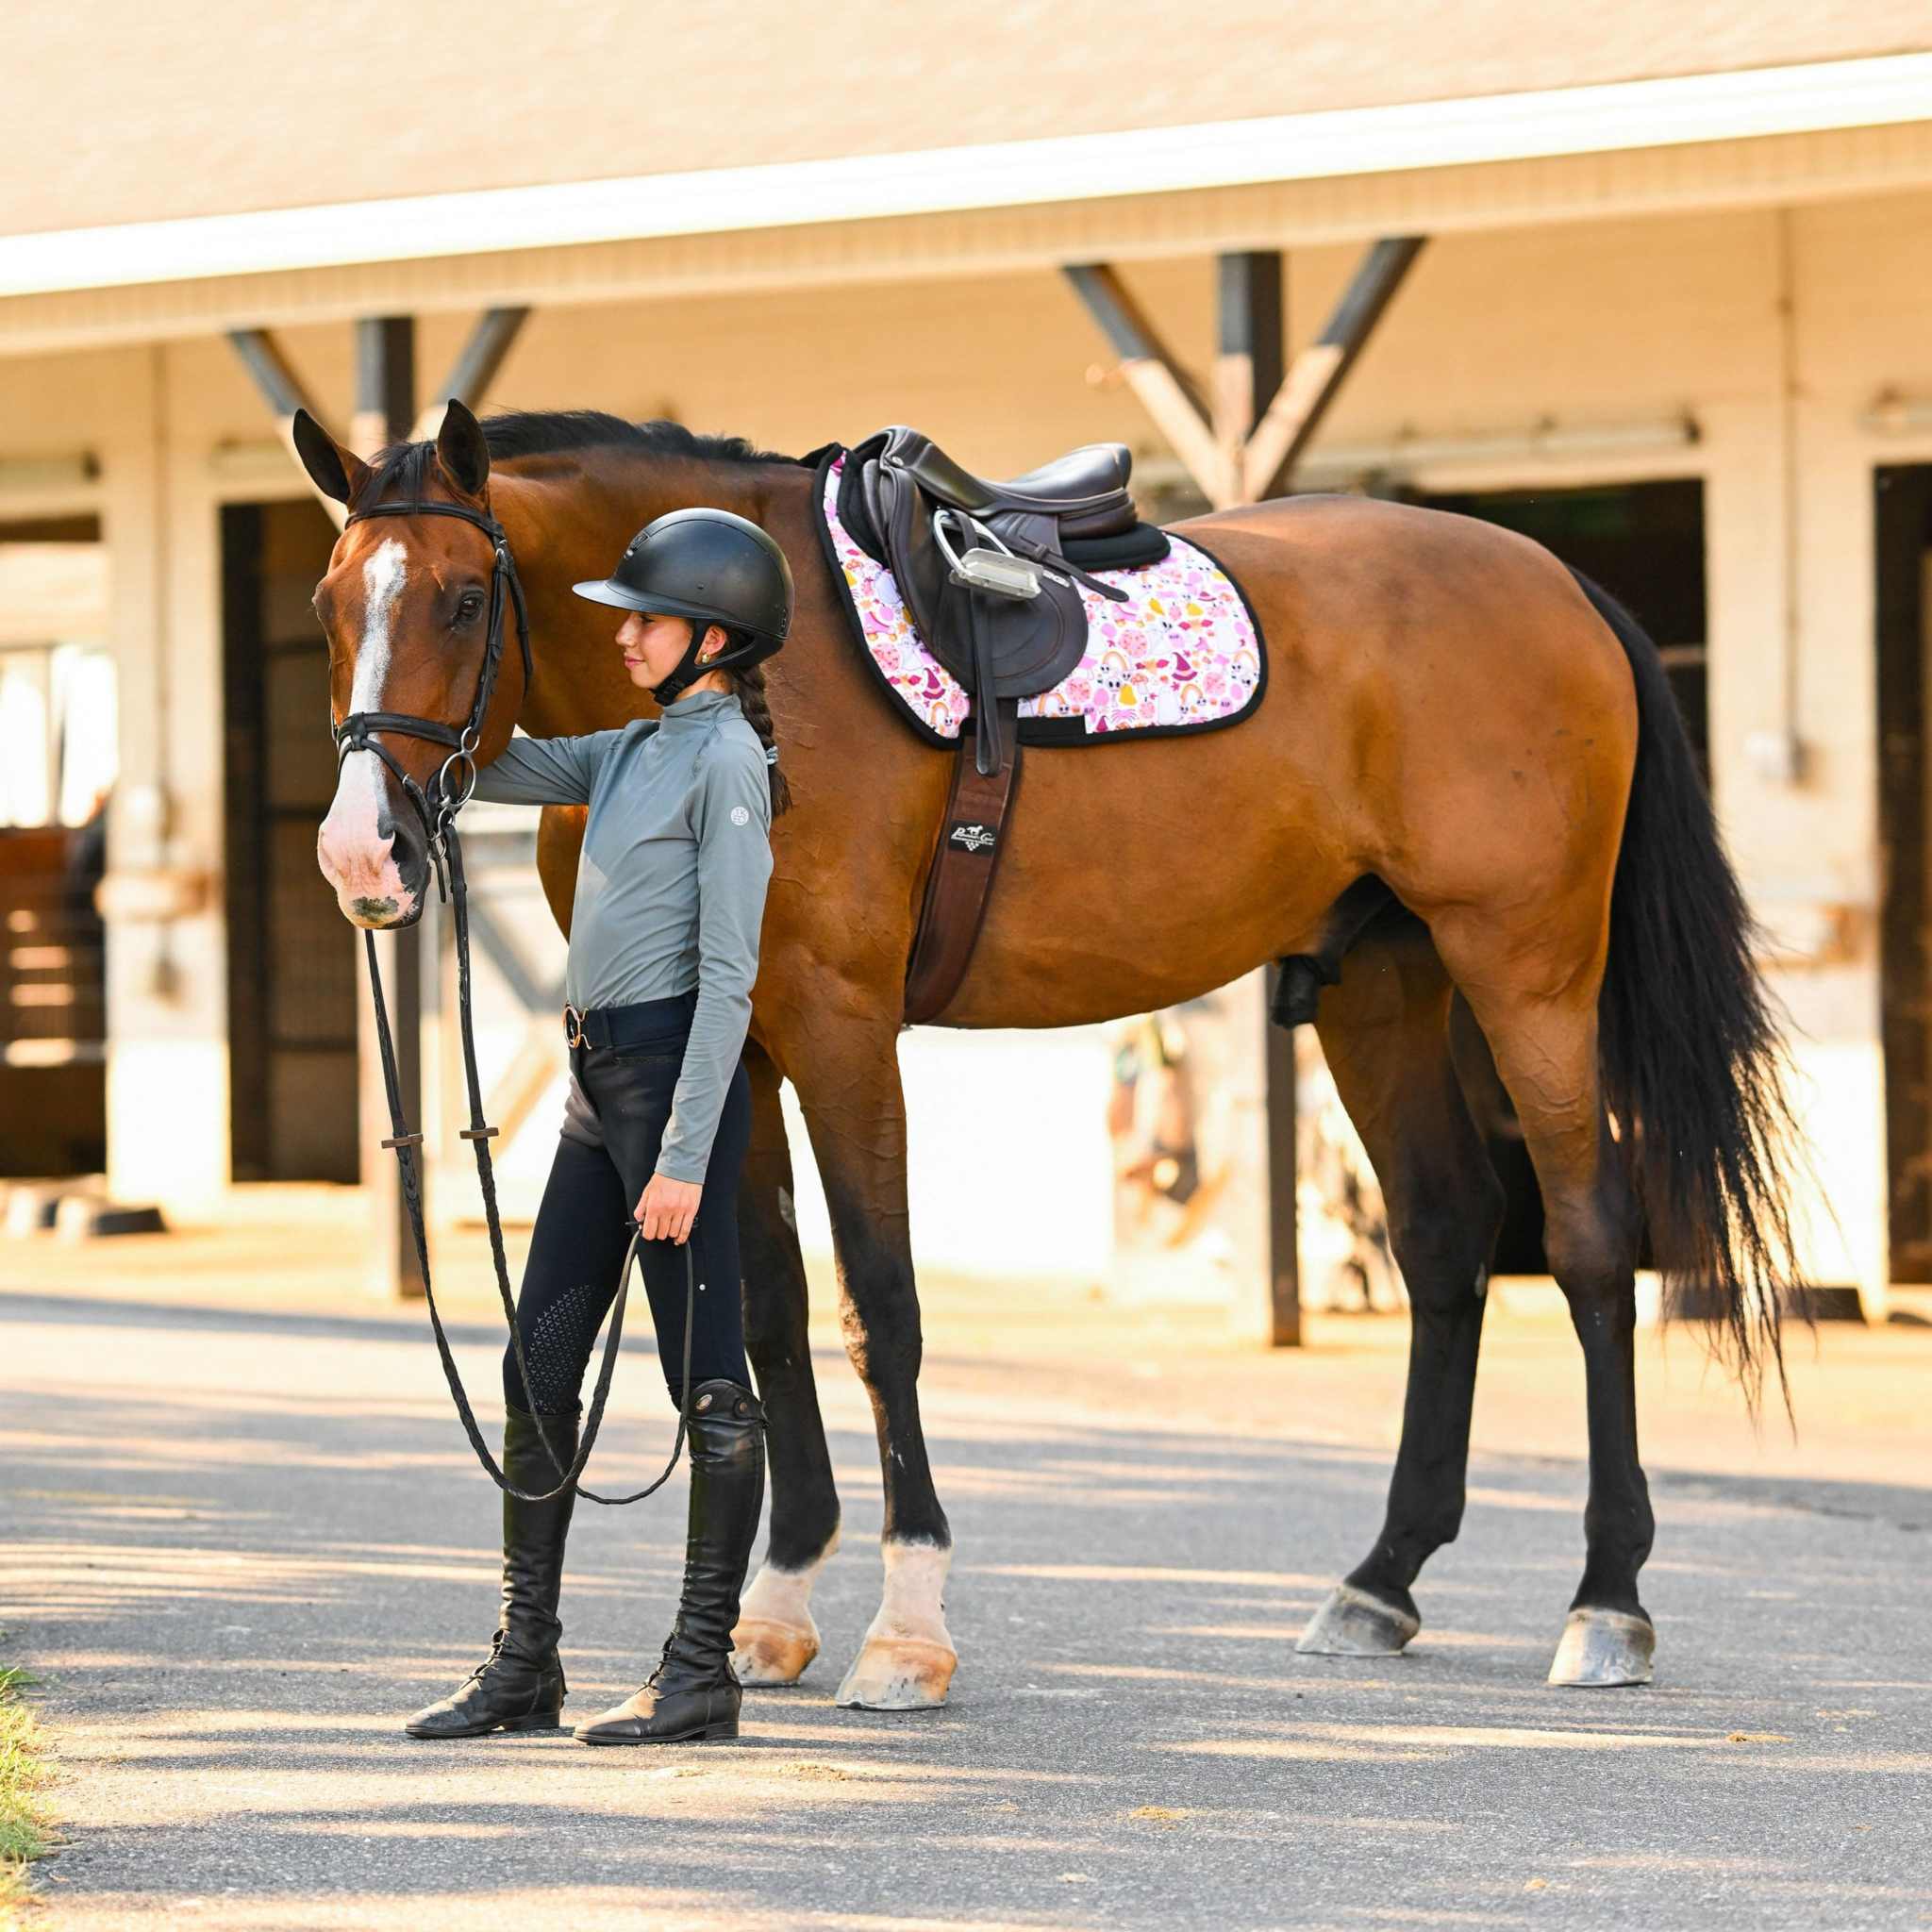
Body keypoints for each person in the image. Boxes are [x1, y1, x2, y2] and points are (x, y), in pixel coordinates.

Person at [403, 508, 793, 1747]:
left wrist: (684, 1160)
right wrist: (401, 698)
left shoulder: (728, 763)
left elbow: (732, 976)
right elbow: (493, 761)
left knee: (710, 1390)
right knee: (540, 1364)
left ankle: (700, 1670)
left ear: (715, 639)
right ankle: (527, 1666)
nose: (624, 639)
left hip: (676, 1080)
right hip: (594, 1081)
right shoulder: (631, 751)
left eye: (647, 621)